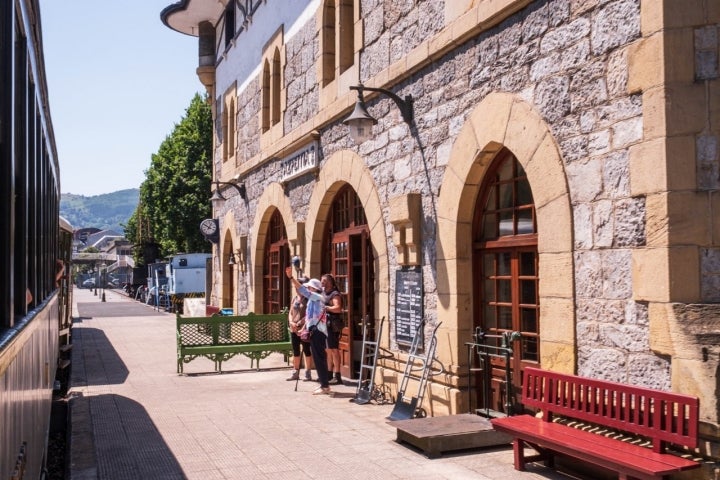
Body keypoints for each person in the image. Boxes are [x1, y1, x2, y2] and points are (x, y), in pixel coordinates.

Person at [285, 266, 331, 395]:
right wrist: (304, 329)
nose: (308, 288)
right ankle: (324, 384)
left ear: (314, 288)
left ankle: (325, 386)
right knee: (318, 358)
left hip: (318, 332)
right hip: (314, 330)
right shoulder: (313, 299)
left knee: (319, 357)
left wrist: (291, 278)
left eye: (309, 287)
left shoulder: (317, 297)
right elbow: (310, 317)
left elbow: (302, 290)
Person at [286, 279, 314, 382]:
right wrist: (291, 322)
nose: (296, 289)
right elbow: (290, 312)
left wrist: (300, 324)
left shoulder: (308, 299)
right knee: (296, 351)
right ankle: (295, 372)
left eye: (298, 287)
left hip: (304, 329)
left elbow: (309, 315)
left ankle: (308, 372)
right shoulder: (295, 298)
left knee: (307, 350)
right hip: (293, 328)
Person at [322, 273, 344, 385]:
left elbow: (338, 308)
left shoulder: (335, 294)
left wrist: (326, 308)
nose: (322, 283)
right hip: (325, 325)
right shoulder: (323, 293)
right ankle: (329, 374)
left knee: (334, 350)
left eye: (324, 281)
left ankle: (338, 375)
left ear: (330, 282)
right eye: (322, 281)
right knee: (328, 350)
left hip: (332, 325)